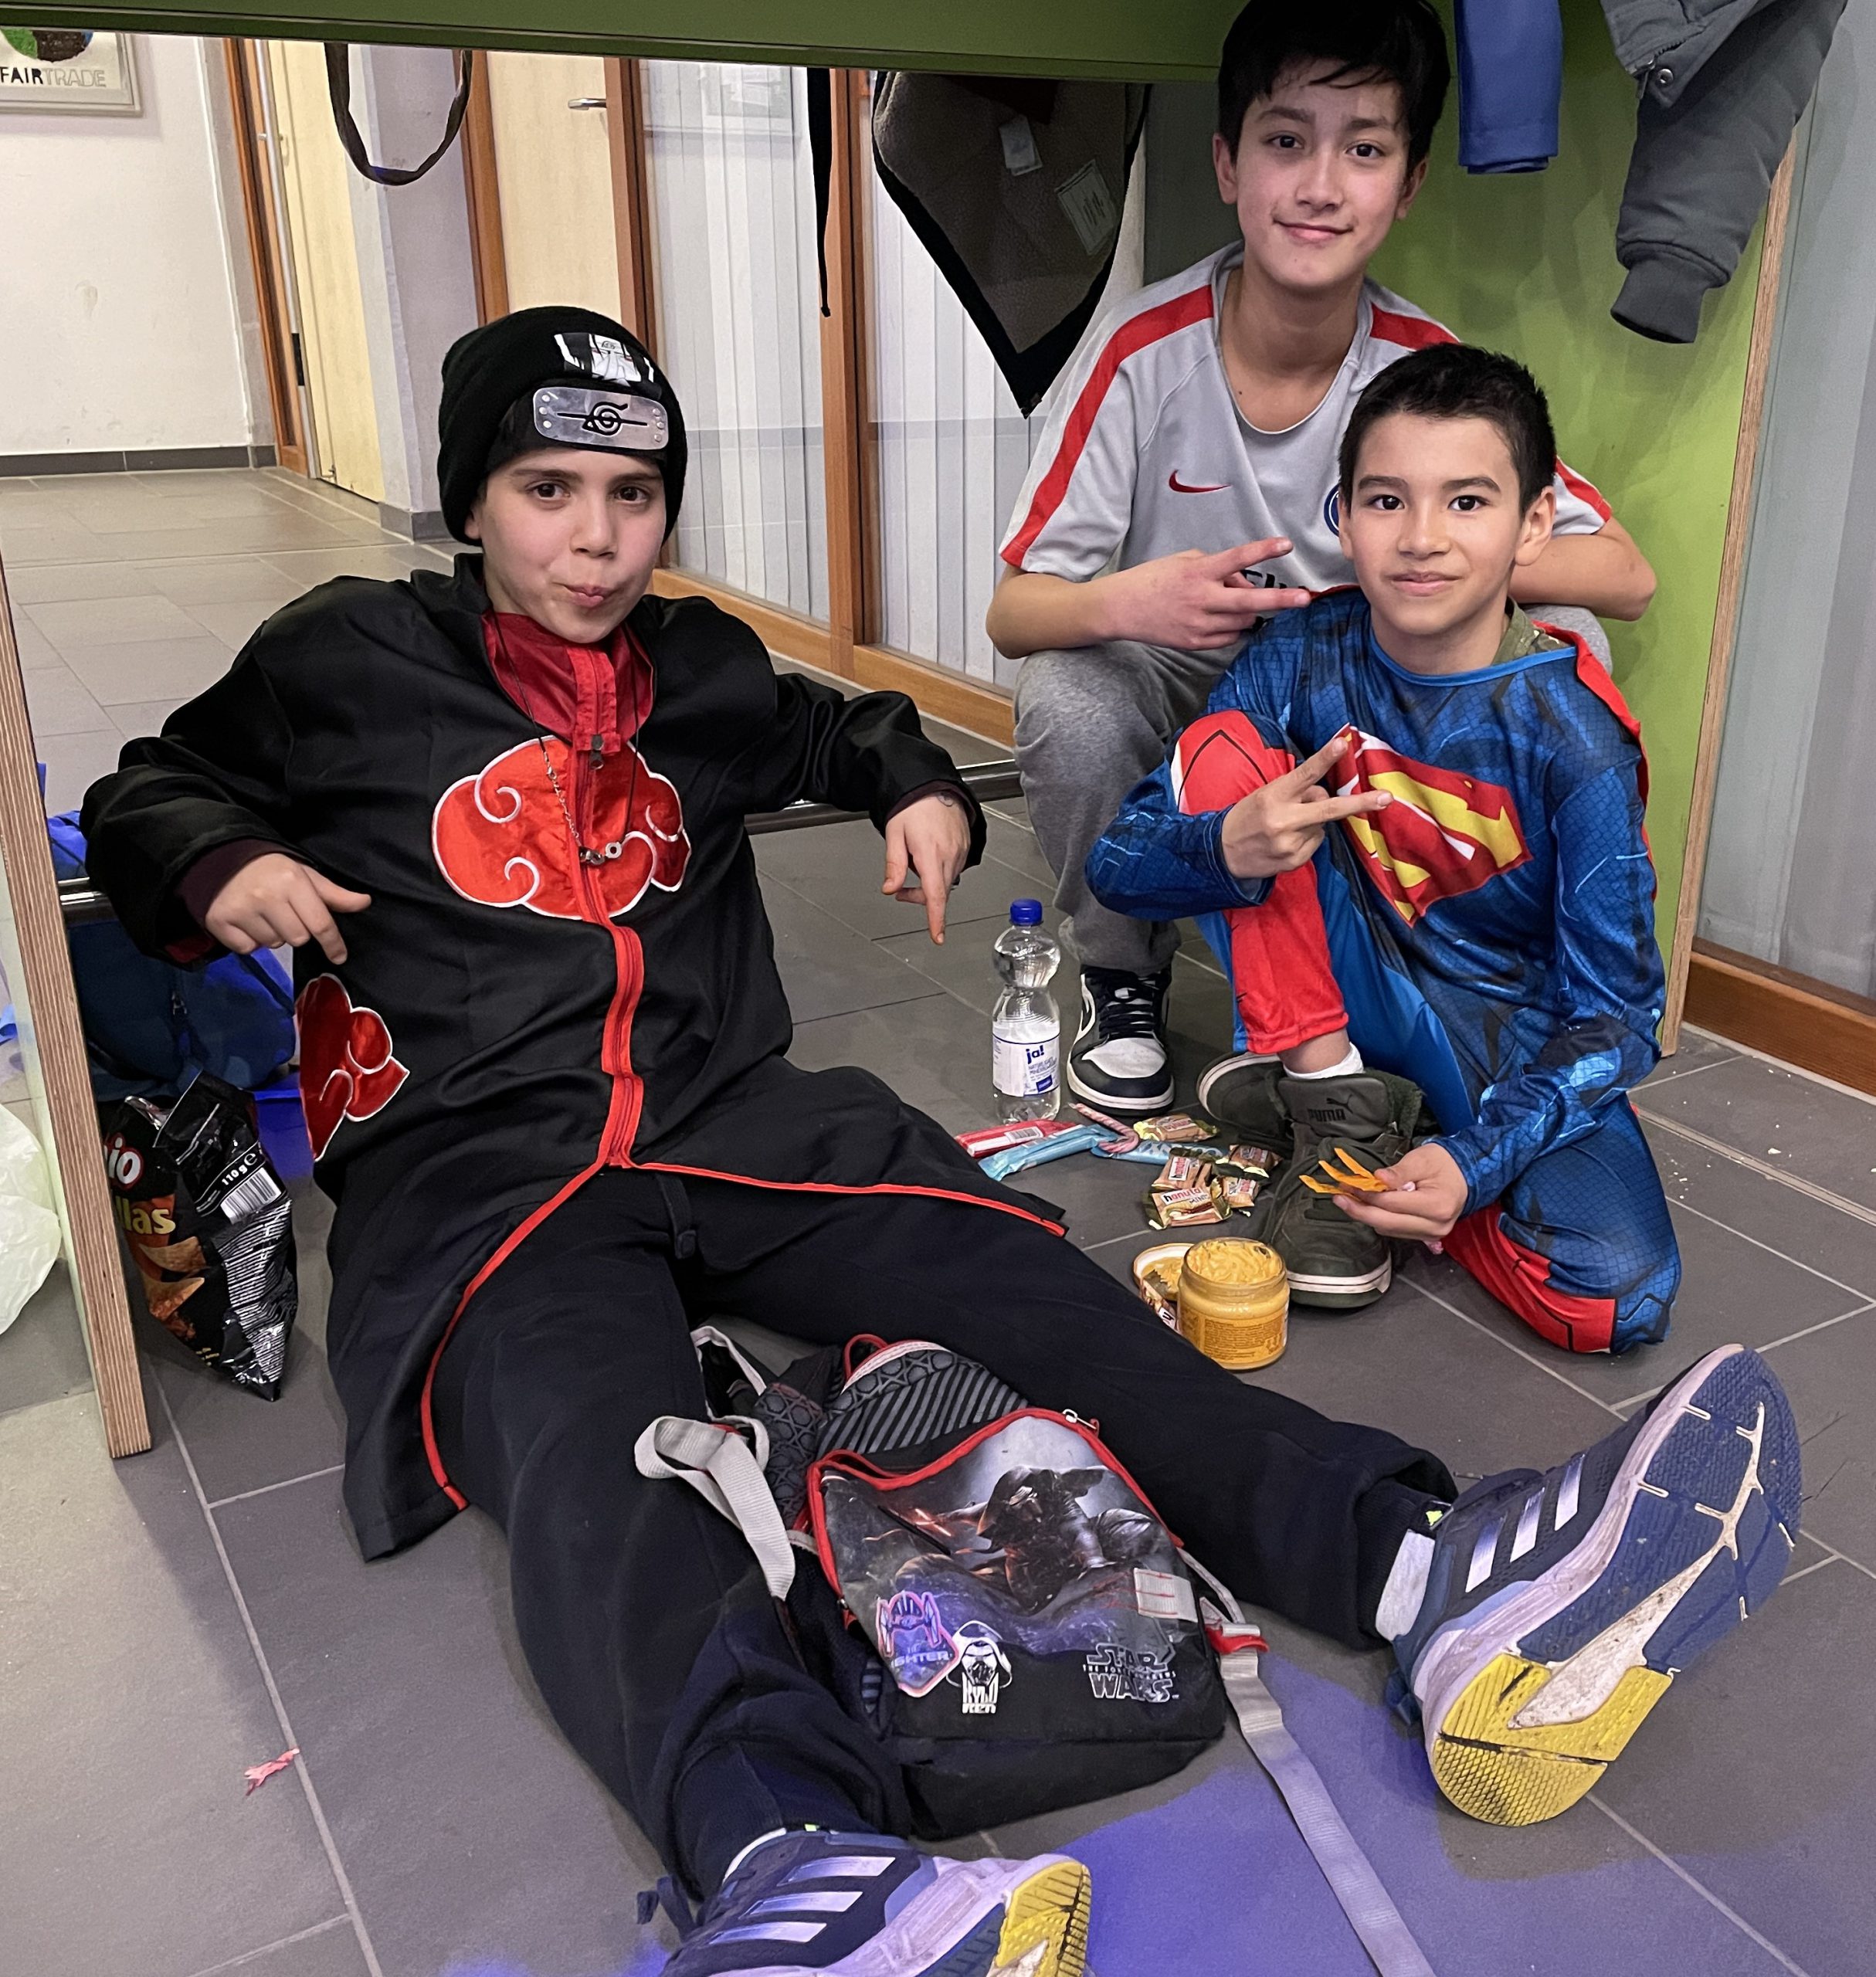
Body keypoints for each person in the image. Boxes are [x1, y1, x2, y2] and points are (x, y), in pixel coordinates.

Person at [83, 310, 1793, 1977]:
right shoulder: (345, 658)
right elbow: (151, 786)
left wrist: (909, 780)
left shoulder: (699, 665)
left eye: (633, 496)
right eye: (548, 493)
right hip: (485, 1165)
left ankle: (1423, 1571)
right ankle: (790, 1865)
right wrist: (222, 860)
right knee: (597, 1449)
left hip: (731, 1113)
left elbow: (840, 720)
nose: (596, 541)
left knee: (1027, 1292)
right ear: (472, 499)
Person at [987, 0, 1656, 1121]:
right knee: (1069, 691)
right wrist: (1132, 599)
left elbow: (1621, 577)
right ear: (1227, 163)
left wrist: (1401, 570)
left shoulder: (1421, 369)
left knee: (1562, 647)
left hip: (1357, 692)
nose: (1319, 185)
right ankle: (1122, 978)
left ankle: (1469, 971)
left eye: (1365, 150)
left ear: (1409, 184)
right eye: (1285, 140)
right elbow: (1015, 610)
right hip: (1194, 685)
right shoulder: (1142, 354)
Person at [1087, 341, 1677, 1350]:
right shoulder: (1298, 652)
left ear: (1534, 523)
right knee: (1226, 757)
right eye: (1386, 501)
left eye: (1467, 502)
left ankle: (1384, 1144)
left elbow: (1618, 1017)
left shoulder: (1577, 738)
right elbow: (1118, 865)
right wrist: (1226, 845)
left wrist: (1472, 1167)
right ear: (1343, 518)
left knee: (1613, 1299)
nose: (1421, 539)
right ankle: (1330, 1099)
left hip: (1493, 1029)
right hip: (1338, 979)